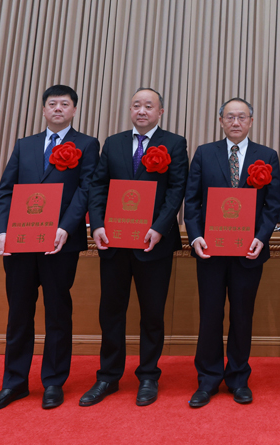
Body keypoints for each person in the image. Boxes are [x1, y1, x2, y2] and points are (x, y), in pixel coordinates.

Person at [0, 85, 100, 411]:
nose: (58, 109)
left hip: (60, 244)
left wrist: (65, 228)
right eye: (52, 104)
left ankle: (53, 382)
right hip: (19, 244)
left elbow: (86, 191)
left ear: (74, 110)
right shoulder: (26, 145)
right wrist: (2, 230)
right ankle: (14, 383)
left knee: (57, 313)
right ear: (44, 109)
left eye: (65, 104)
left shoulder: (87, 145)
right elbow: (6, 191)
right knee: (19, 313)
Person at [81, 88, 188, 407]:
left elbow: (177, 188)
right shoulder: (113, 143)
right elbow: (98, 185)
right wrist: (97, 224)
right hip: (114, 241)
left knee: (152, 312)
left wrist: (159, 227)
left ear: (161, 112)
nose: (142, 111)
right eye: (137, 105)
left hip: (154, 244)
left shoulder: (174, 143)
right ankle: (108, 376)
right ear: (130, 109)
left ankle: (148, 376)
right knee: (111, 310)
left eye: (149, 106)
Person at [183, 98, 280, 407]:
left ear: (251, 121)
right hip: (210, 251)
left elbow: (274, 203)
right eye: (230, 117)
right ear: (221, 120)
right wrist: (196, 236)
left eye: (242, 117)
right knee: (210, 315)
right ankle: (208, 379)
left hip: (248, 252)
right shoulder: (204, 153)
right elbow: (192, 200)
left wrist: (261, 238)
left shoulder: (266, 156)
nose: (236, 122)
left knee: (242, 315)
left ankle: (238, 377)